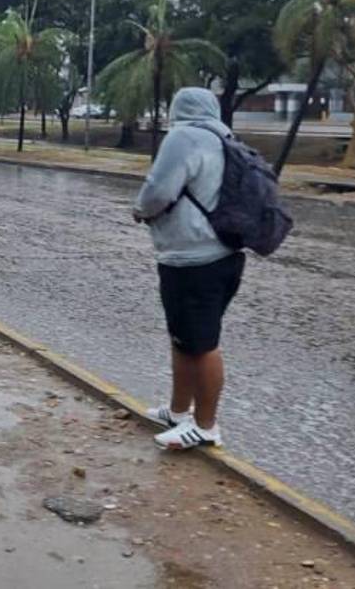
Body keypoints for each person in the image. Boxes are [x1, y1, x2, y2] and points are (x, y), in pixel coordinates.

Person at [133, 87, 245, 450]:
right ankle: (179, 412)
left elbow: (158, 191)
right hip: (224, 256)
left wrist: (141, 211)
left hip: (193, 259)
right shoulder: (225, 138)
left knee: (203, 343)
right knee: (184, 337)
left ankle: (206, 426)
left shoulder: (184, 136)